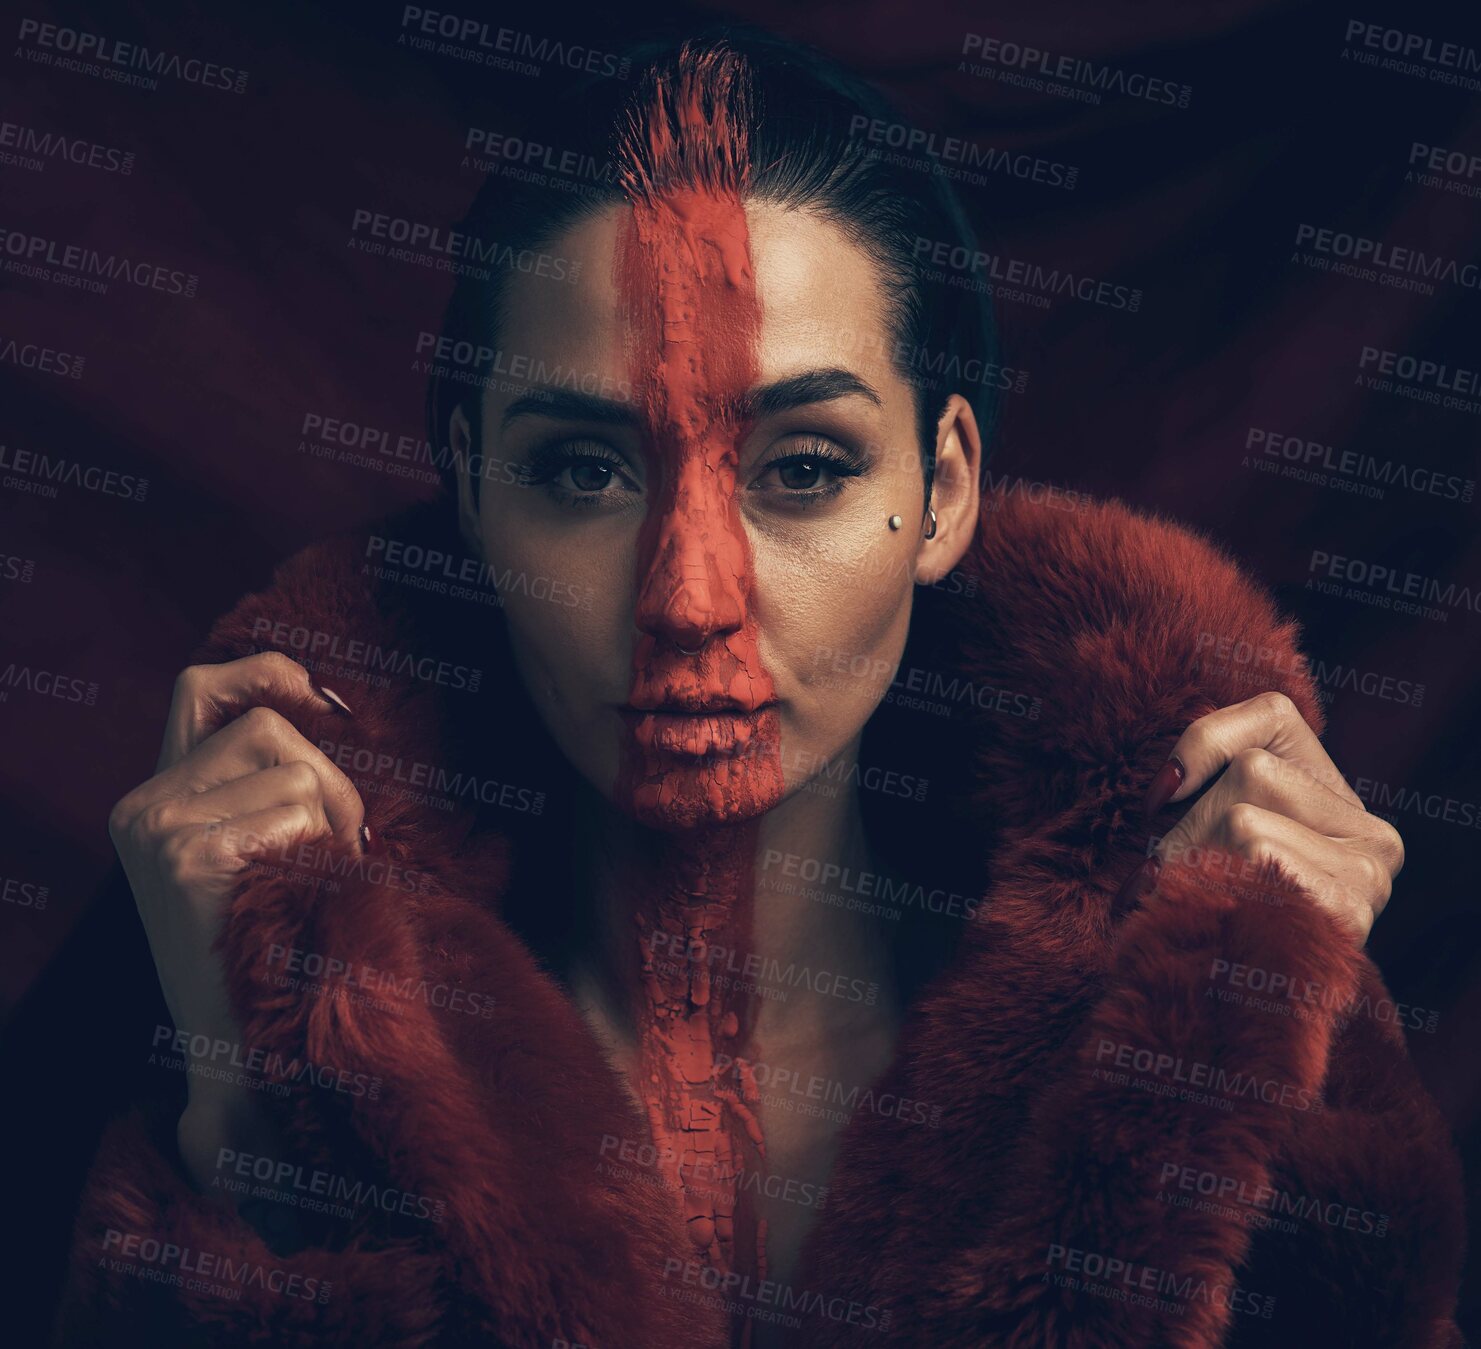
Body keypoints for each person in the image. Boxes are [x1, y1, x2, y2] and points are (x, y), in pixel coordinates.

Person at [62, 29, 1463, 1349]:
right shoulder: (192, 960)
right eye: (582, 469)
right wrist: (253, 1092)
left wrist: (1267, 1017)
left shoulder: (1203, 953)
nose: (688, 596)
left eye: (802, 468)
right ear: (470, 486)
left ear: (946, 488)